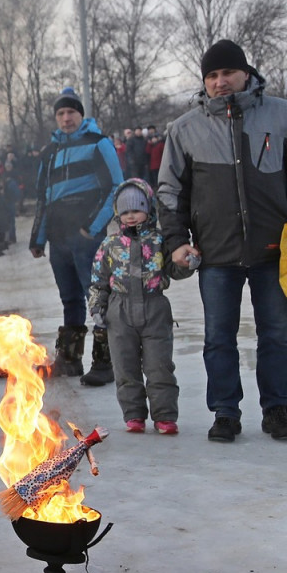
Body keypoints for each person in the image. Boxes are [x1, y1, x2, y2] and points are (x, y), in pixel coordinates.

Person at [157, 40, 287, 443]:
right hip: (215, 254)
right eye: (212, 75)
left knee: (276, 334)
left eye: (228, 72)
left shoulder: (283, 115)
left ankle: (277, 409)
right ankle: (225, 413)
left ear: (246, 73)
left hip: (273, 251)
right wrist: (177, 241)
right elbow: (169, 192)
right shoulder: (184, 129)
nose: (220, 81)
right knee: (218, 338)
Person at [29, 87, 122, 386]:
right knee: (69, 298)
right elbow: (44, 196)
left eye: (71, 112)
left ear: (81, 115)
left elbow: (116, 188)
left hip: (88, 238)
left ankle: (106, 362)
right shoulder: (50, 152)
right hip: (59, 238)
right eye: (61, 113)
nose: (66, 118)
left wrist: (91, 229)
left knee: (95, 297)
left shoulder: (98, 143)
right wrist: (38, 237)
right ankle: (69, 360)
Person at [88, 180, 191, 435]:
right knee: (125, 366)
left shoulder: (159, 240)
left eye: (136, 209)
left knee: (159, 366)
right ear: (117, 214)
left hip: (154, 307)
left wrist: (189, 262)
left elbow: (174, 269)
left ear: (149, 209)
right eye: (125, 211)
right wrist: (97, 308)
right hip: (119, 312)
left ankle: (165, 416)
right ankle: (134, 414)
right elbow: (98, 281)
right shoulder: (109, 245)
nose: (131, 216)